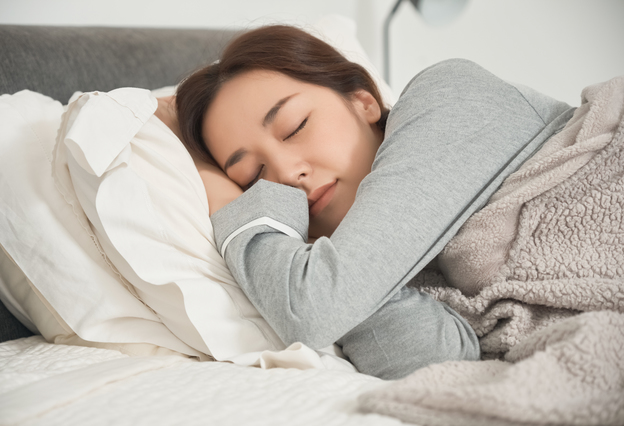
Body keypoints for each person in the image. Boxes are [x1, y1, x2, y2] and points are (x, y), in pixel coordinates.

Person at [155, 25, 575, 380]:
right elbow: (440, 368)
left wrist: (222, 193)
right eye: (252, 177)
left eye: (294, 126)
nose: (285, 174)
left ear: (363, 100)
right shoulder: (368, 269)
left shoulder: (450, 94)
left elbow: (313, 308)